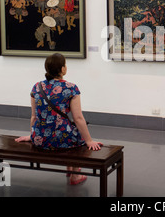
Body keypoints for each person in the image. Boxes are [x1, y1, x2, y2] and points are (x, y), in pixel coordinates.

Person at [15, 53, 102, 185]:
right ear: (62, 69)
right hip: (62, 140)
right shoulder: (71, 88)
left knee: (67, 130)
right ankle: (75, 174)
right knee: (77, 134)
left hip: (40, 140)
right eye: (65, 65)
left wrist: (33, 135)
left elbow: (34, 116)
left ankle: (71, 167)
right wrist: (89, 140)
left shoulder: (37, 87)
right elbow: (78, 118)